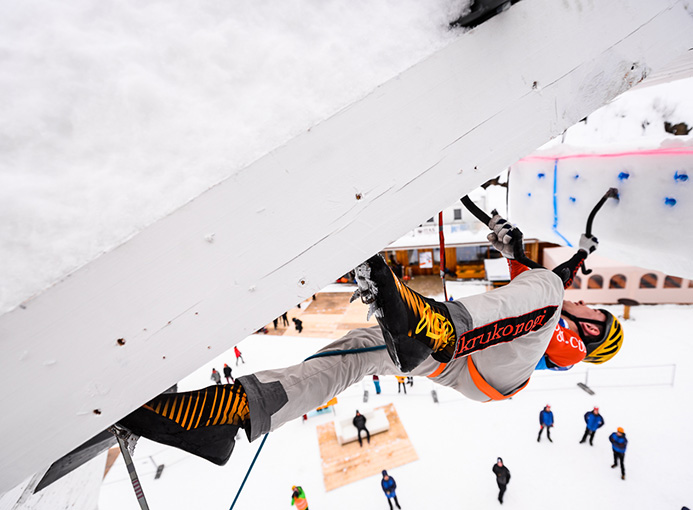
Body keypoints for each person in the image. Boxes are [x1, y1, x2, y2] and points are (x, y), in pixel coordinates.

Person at [117, 214, 624, 469]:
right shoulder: (552, 307)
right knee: (360, 351)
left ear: (592, 332)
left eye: (592, 313)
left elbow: (549, 291)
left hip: (491, 367)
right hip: (464, 362)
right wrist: (521, 248)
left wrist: (555, 264)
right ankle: (229, 415)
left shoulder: (565, 338)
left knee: (549, 287)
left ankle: (435, 327)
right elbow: (542, 287)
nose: (583, 306)